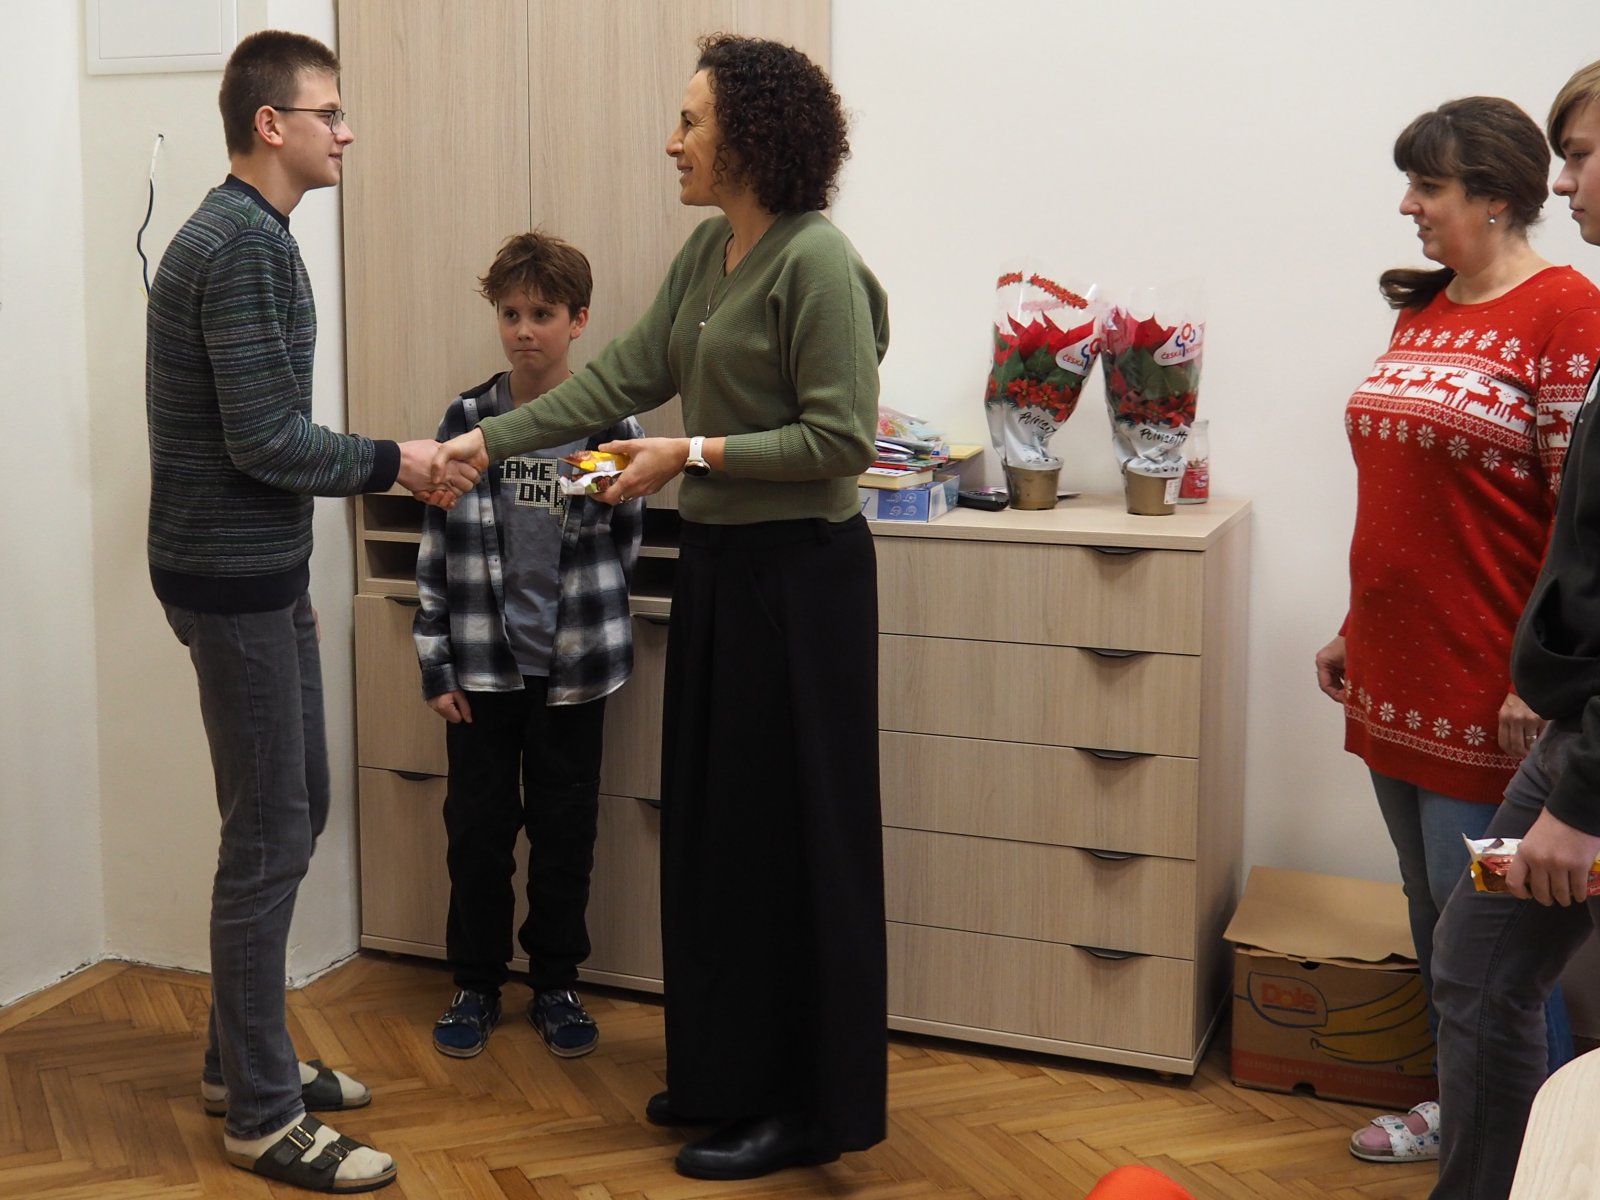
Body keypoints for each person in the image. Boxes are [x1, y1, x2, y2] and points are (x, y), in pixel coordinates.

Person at [430, 33, 890, 1181]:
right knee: (717, 834)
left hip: (804, 581)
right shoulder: (707, 254)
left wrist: (691, 452)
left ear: (750, 135)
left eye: (690, 120)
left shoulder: (816, 262)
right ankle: (728, 1075)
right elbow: (615, 379)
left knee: (791, 844)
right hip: (726, 572)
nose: (671, 140)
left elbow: (841, 440)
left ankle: (803, 1105)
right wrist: (486, 442)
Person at [146, 29, 472, 1195]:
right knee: (269, 838)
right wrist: (400, 462)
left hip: (259, 576)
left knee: (295, 810)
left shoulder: (255, 234)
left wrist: (298, 579)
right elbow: (266, 442)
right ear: (270, 124)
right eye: (329, 112)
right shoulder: (240, 245)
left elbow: (263, 442)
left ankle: (238, 1060)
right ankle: (260, 1117)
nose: (347, 131)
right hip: (230, 580)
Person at [1313, 95, 1600, 1165]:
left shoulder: (1569, 313)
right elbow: (1406, 497)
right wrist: (1355, 622)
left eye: (1427, 187)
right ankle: (1461, 1112)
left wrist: (1539, 682)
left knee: (1499, 942)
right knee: (1438, 914)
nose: (1409, 206)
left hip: (1494, 693)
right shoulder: (1426, 311)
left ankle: (1539, 1155)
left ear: (1494, 197)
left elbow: (1578, 524)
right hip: (1395, 672)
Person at [1429, 62, 1600, 1200]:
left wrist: (1581, 801)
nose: (1565, 180)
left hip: (1582, 753)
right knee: (1475, 963)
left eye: (1580, 155)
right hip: (1573, 731)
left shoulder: (1567, 311)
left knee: (1484, 969)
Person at [414, 231, 643, 1061]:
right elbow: (436, 549)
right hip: (482, 672)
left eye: (542, 314)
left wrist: (584, 631)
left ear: (577, 320)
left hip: (572, 674)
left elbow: (621, 541)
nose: (523, 330)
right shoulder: (469, 421)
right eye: (510, 313)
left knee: (564, 834)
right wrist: (437, 661)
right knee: (477, 834)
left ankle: (555, 984)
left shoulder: (606, 423)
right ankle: (477, 984)